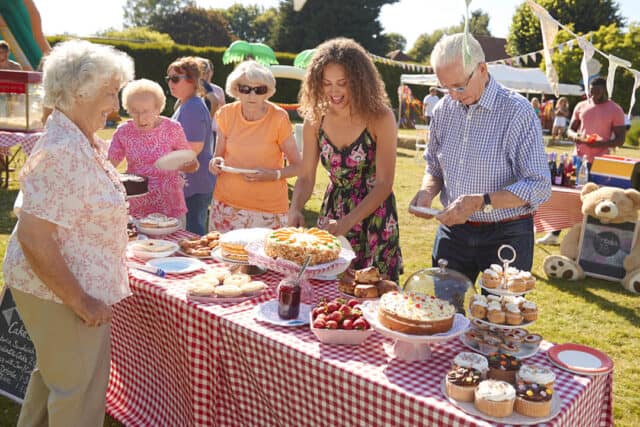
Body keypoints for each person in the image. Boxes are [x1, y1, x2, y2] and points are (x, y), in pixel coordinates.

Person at [2, 39, 134, 426]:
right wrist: (80, 301)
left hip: (67, 285)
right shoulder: (63, 149)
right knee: (78, 396)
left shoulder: (78, 139)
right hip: (61, 290)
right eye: (111, 92)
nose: (116, 104)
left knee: (54, 381)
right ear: (81, 92)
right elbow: (34, 237)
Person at [410, 33, 551, 284]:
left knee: (498, 317)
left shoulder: (517, 111)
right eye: (446, 87)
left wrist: (481, 201)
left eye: (459, 86)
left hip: (507, 232)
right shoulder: (443, 110)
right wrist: (426, 191)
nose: (452, 95)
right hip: (454, 231)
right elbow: (434, 165)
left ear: (482, 69)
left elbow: (538, 185)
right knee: (446, 312)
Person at [289, 38, 403, 281]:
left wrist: (347, 223)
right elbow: (307, 176)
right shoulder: (315, 119)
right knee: (330, 293)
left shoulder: (380, 117)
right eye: (327, 83)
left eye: (342, 83)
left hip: (375, 216)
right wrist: (296, 207)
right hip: (333, 212)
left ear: (359, 81)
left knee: (374, 293)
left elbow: (384, 184)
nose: (334, 91)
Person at [208, 60, 301, 232]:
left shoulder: (278, 118)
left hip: (267, 209)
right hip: (226, 205)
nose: (252, 95)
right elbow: (218, 156)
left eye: (259, 90)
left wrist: (274, 175)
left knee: (263, 259)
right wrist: (215, 164)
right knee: (221, 257)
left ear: (268, 92)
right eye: (245, 89)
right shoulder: (226, 114)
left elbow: (298, 166)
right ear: (236, 90)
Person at [537, 77, 626, 245]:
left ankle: (593, 239)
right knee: (567, 197)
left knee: (597, 200)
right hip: (578, 160)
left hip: (600, 163)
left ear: (605, 90)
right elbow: (570, 129)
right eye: (591, 91)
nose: (593, 95)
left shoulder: (615, 109)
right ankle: (554, 234)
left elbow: (620, 139)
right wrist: (577, 136)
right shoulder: (581, 106)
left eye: (597, 92)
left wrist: (601, 142)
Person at [108, 79, 198, 221]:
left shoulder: (172, 128)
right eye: (134, 112)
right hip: (137, 206)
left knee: (174, 242)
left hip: (170, 205)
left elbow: (192, 164)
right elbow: (109, 166)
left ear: (158, 108)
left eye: (145, 111)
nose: (140, 118)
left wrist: (187, 165)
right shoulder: (124, 131)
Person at [167, 56, 216, 235]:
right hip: (194, 181)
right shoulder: (187, 104)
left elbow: (192, 150)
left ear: (192, 80)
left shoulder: (192, 107)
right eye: (168, 79)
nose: (170, 83)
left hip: (195, 183)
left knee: (193, 234)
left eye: (175, 79)